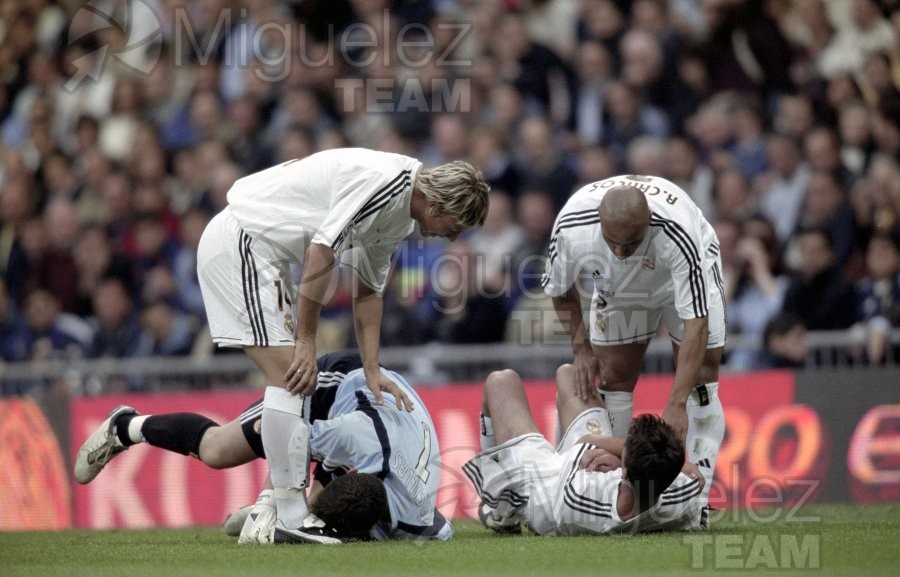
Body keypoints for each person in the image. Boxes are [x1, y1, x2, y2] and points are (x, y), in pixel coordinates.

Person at [194, 148, 488, 535]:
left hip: (268, 257)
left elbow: (368, 292)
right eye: (456, 224)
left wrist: (371, 369)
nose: (452, 236)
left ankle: (272, 510)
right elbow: (320, 254)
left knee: (297, 383)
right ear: (436, 204)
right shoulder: (384, 184)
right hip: (242, 243)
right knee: (293, 380)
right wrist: (305, 340)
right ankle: (286, 516)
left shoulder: (398, 215)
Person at [73, 350, 451, 544]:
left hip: (380, 420)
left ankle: (269, 507)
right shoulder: (351, 436)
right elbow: (284, 435)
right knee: (218, 450)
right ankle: (125, 426)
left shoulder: (420, 522)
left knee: (315, 501)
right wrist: (271, 503)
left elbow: (442, 528)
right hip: (337, 381)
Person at [541, 174, 726, 512]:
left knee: (700, 377)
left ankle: (696, 502)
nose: (622, 251)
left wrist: (676, 402)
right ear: (600, 222)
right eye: (613, 241)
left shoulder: (678, 233)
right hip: (620, 286)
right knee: (614, 376)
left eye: (631, 241)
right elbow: (558, 290)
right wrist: (581, 347)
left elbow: (696, 323)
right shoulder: (571, 226)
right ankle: (618, 484)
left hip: (676, 279)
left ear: (650, 223)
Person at [464, 365, 706, 535]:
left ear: (624, 469)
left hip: (543, 486)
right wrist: (670, 461)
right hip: (592, 465)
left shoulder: (582, 500)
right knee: (570, 375)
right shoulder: (681, 494)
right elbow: (695, 479)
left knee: (501, 380)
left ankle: (501, 512)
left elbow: (584, 445)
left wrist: (612, 450)